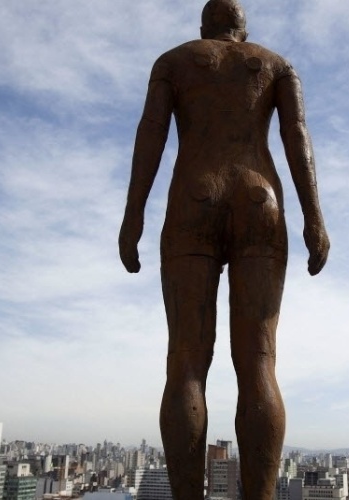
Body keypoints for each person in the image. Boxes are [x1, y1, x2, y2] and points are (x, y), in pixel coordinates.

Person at [118, 1, 329, 497]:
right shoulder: (276, 64)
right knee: (258, 362)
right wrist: (314, 217)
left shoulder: (174, 62)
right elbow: (297, 135)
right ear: (243, 29)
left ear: (203, 27)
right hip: (262, 199)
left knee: (186, 362)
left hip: (195, 195)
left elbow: (150, 134)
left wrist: (133, 216)